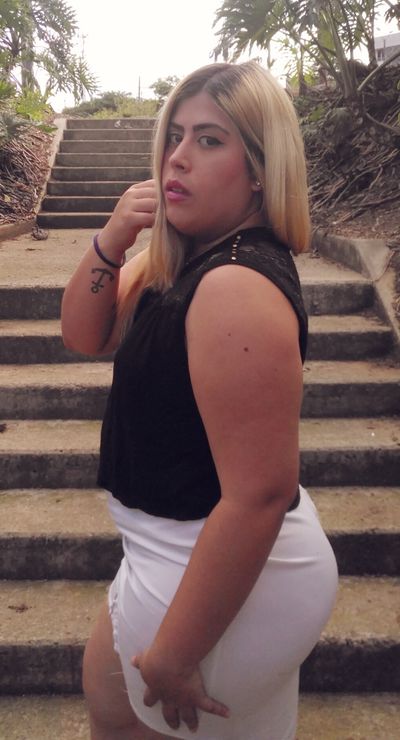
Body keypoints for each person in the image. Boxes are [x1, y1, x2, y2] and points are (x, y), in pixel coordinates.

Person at [61, 61, 338, 740]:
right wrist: (112, 240)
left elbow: (260, 494)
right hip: (170, 546)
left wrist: (178, 653)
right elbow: (83, 334)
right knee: (109, 703)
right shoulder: (184, 260)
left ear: (259, 169)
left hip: (211, 560)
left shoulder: (232, 286)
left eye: (209, 140)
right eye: (175, 136)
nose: (177, 157)